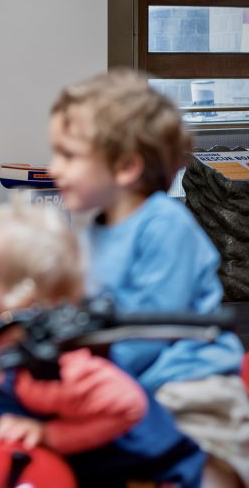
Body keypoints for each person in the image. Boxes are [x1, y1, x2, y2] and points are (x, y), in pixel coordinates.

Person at [48, 67, 249, 486]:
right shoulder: (96, 228)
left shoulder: (165, 225)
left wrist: (80, 375)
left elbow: (150, 327)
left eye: (68, 156)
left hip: (187, 384)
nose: (54, 169)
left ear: (124, 167)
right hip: (131, 380)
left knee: (197, 467)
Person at [0, 201, 205, 487]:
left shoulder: (49, 372)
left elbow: (127, 405)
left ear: (18, 305)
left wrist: (49, 434)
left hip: (146, 471)